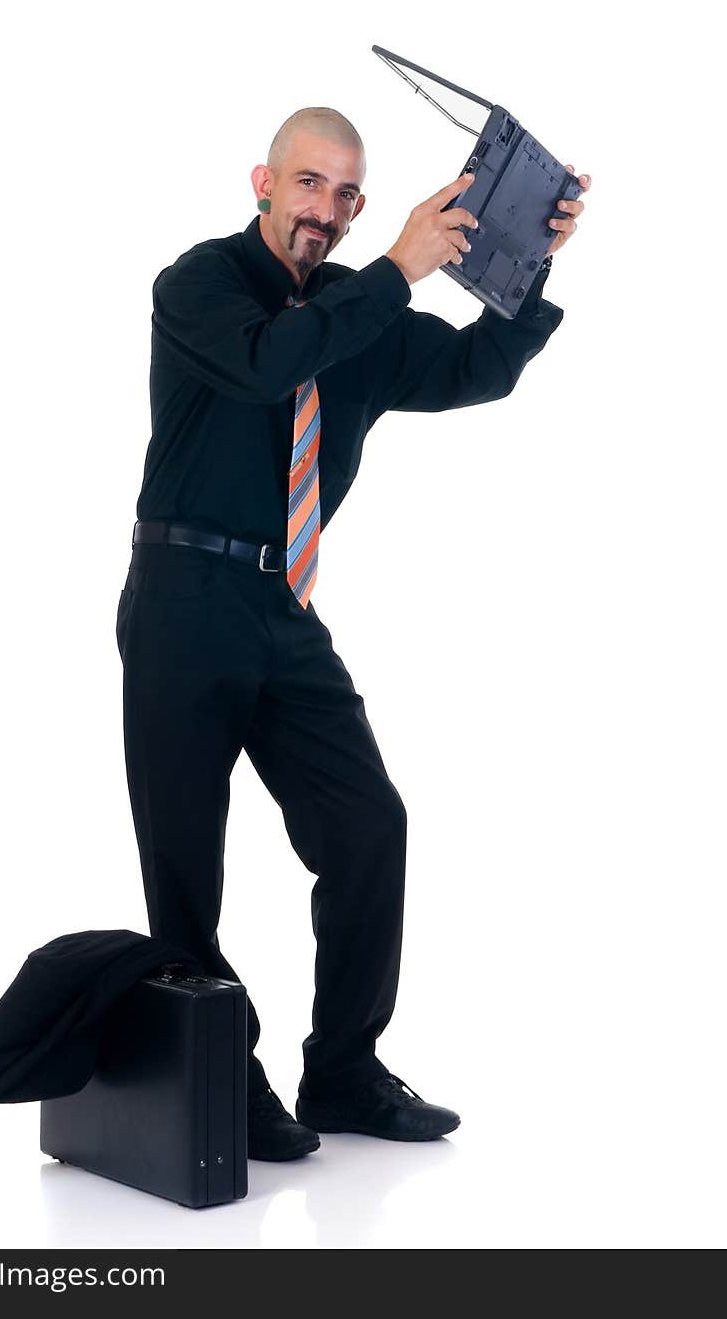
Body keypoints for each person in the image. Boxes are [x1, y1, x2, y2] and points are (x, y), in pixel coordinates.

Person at [116, 106, 589, 1162]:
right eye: (308, 186)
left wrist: (526, 261)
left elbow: (479, 369)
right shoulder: (198, 285)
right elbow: (266, 363)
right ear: (263, 182)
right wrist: (395, 269)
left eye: (345, 196)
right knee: (187, 862)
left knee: (369, 824)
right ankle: (222, 1081)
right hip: (183, 595)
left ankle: (343, 1073)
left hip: (285, 608)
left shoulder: (360, 313)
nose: (324, 212)